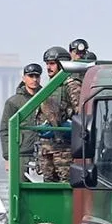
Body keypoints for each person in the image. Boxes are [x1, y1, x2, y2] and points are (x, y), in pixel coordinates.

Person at [37, 46, 73, 182]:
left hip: (63, 148)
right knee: (48, 183)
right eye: (47, 64)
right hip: (47, 146)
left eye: (52, 64)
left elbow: (80, 111)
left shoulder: (70, 85)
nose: (48, 67)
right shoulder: (48, 86)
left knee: (65, 184)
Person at [0, 64, 42, 174]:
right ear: (24, 78)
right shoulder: (13, 102)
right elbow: (5, 130)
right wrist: (7, 157)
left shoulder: (46, 98)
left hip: (43, 152)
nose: (34, 79)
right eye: (31, 76)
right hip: (21, 153)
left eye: (37, 76)